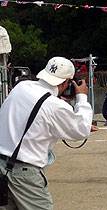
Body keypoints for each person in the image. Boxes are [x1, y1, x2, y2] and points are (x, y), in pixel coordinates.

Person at [0, 57, 98, 210]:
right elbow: (81, 130)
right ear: (66, 82)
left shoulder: (21, 87)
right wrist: (82, 98)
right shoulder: (54, 105)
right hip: (25, 172)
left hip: (2, 165)